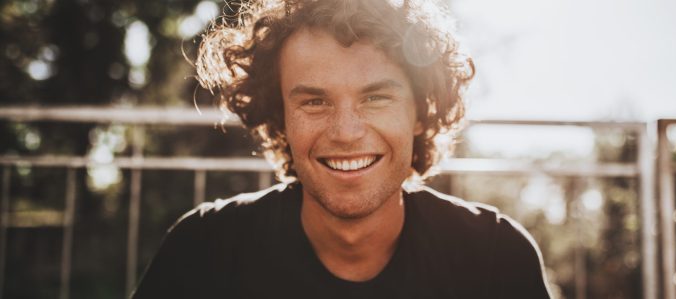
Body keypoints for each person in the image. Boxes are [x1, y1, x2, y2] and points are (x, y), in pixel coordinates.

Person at [132, 0, 552, 298]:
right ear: (280, 117)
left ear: (421, 113)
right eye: (314, 101)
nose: (346, 132)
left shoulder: (496, 258)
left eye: (375, 98)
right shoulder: (203, 251)